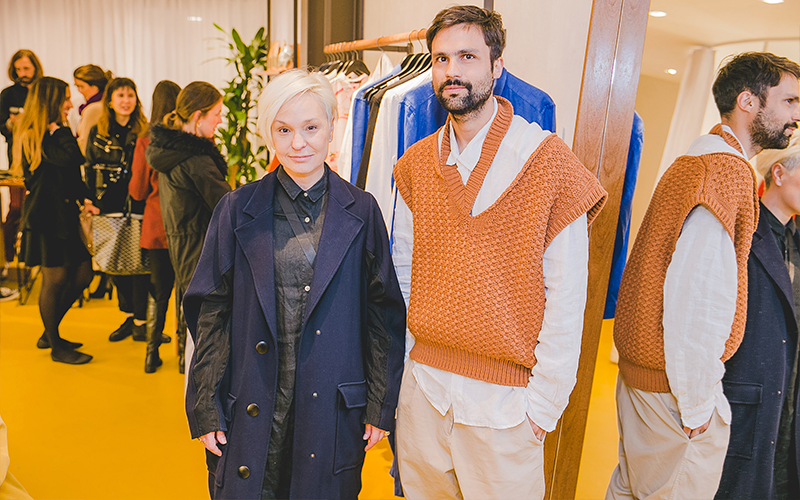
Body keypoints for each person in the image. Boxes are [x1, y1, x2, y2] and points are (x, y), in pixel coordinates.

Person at [392, 6, 607, 499]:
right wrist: (405, 374)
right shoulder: (416, 164)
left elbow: (567, 296)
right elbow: (404, 274)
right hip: (424, 393)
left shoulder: (547, 162)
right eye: (441, 59)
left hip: (506, 408)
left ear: (497, 66)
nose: (452, 71)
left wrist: (542, 411)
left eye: (467, 56)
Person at [183, 69, 406, 499]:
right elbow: (209, 313)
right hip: (250, 401)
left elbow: (384, 315)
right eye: (284, 130)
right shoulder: (236, 209)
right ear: (269, 132)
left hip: (331, 409)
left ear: (332, 128)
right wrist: (205, 404)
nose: (298, 143)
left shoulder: (361, 211)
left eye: (311, 128)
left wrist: (380, 404)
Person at [608, 52, 800, 499]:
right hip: (673, 392)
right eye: (789, 101)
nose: (797, 115)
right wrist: (697, 406)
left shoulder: (701, 160)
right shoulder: (724, 172)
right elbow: (697, 296)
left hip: (648, 379)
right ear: (748, 101)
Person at [715, 134, 800, 499]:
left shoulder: (796, 242)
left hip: (788, 409)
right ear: (778, 174)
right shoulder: (744, 233)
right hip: (745, 405)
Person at [146, 81, 230, 374]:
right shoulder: (196, 160)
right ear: (197, 116)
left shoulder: (169, 151)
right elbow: (226, 205)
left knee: (191, 313)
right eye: (216, 114)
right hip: (201, 249)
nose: (220, 120)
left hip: (183, 244)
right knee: (205, 327)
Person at [13, 76, 96, 364]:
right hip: (45, 216)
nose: (70, 104)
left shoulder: (54, 133)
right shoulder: (34, 136)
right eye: (65, 99)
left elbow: (71, 172)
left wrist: (87, 198)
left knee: (83, 274)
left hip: (65, 214)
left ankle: (50, 333)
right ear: (50, 101)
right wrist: (59, 131)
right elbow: (72, 158)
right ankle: (56, 346)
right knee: (55, 279)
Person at [83, 77, 150, 343]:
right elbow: (90, 167)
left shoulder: (145, 131)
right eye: (120, 95)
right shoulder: (97, 132)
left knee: (140, 266)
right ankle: (129, 316)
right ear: (110, 101)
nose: (126, 101)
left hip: (138, 204)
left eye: (130, 95)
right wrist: (90, 200)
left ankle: (142, 321)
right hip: (107, 204)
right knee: (114, 264)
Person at [129, 80, 180, 373]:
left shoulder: (145, 141)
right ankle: (184, 355)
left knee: (159, 292)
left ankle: (151, 354)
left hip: (156, 226)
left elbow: (136, 191)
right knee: (185, 291)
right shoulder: (188, 138)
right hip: (185, 225)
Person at [0, 50, 43, 281]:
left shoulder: (42, 92)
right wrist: (11, 122)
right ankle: (6, 259)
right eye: (18, 69)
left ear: (35, 68)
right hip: (17, 159)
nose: (22, 73)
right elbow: (2, 127)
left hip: (42, 157)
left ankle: (37, 258)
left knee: (39, 207)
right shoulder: (8, 94)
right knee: (16, 209)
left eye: (26, 68)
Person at [73, 64, 112, 154]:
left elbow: (85, 143)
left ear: (95, 87)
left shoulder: (93, 109)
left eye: (81, 86)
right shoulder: (106, 103)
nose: (79, 90)